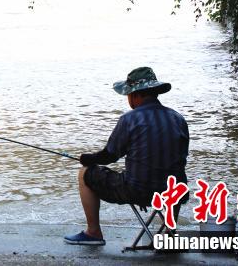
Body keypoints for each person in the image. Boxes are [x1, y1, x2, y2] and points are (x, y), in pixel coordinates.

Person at [64, 66, 189, 246]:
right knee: (173, 177)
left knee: (84, 173)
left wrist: (89, 159)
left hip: (138, 191)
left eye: (129, 94)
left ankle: (93, 232)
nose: (128, 98)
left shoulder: (130, 119)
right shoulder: (178, 119)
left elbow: (109, 155)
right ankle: (169, 232)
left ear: (136, 95)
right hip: (175, 193)